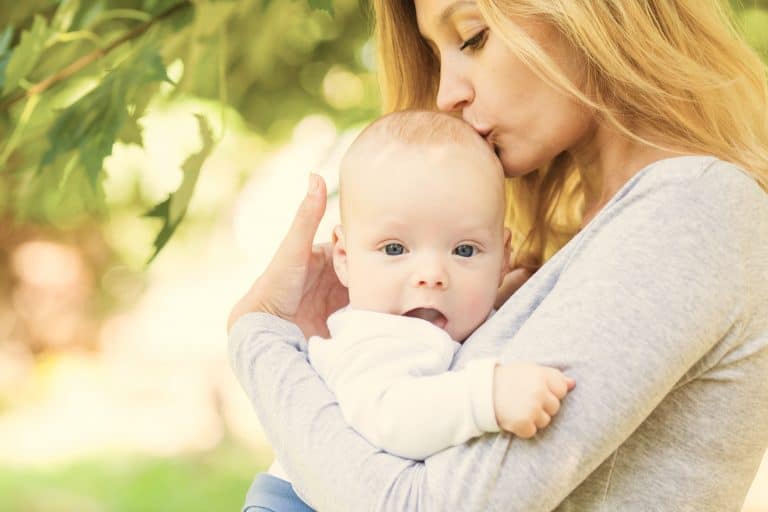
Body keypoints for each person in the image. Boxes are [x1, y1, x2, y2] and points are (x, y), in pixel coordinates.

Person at [228, 0, 768, 510]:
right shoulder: (589, 236)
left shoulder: (688, 208)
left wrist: (258, 339)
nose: (445, 95)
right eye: (437, 54)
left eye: (473, 36)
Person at [249, 110, 575, 512]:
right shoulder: (378, 336)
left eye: (465, 250)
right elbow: (389, 415)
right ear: (345, 258)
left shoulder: (443, 321)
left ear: (503, 258)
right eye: (394, 249)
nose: (432, 275)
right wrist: (486, 396)